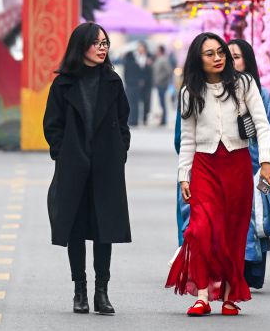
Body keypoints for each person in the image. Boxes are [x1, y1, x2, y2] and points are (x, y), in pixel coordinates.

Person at [165, 32, 270, 317]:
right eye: (210, 54)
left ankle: (228, 296)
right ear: (198, 59)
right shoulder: (189, 92)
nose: (218, 58)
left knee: (232, 231)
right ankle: (202, 295)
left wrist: (266, 161)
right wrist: (183, 176)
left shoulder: (243, 84)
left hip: (237, 164)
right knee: (200, 229)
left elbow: (262, 125)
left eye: (221, 52)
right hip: (204, 166)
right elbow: (187, 138)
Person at [43, 22, 132, 315]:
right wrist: (62, 153)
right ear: (81, 46)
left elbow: (123, 120)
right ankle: (79, 290)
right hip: (74, 166)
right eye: (96, 43)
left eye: (105, 43)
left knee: (105, 229)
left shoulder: (113, 81)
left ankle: (101, 292)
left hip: (106, 166)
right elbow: (52, 124)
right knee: (76, 229)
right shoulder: (63, 84)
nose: (102, 48)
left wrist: (120, 152)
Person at [228, 39, 270, 289]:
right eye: (227, 56)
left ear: (247, 61)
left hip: (256, 171)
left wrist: (267, 176)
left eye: (236, 57)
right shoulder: (216, 92)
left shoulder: (262, 95)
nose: (231, 62)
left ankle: (249, 273)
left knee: (255, 219)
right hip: (228, 169)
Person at [123, 42, 152, 126]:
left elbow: (147, 72)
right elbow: (127, 71)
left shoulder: (149, 57)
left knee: (144, 102)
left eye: (141, 47)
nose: (140, 49)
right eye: (139, 47)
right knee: (132, 102)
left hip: (145, 84)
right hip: (133, 83)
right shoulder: (133, 58)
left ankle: (143, 119)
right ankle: (133, 120)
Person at [153, 45, 174, 126]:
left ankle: (164, 119)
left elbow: (169, 71)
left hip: (162, 84)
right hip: (159, 84)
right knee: (161, 102)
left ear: (160, 51)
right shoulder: (158, 59)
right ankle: (163, 119)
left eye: (157, 50)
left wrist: (160, 79)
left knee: (163, 102)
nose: (156, 52)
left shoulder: (164, 60)